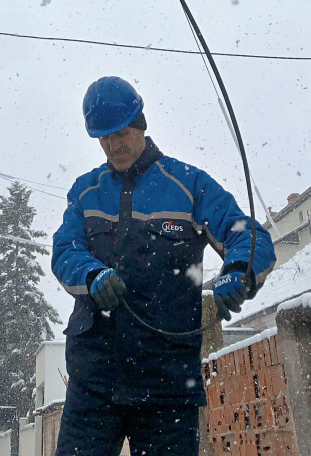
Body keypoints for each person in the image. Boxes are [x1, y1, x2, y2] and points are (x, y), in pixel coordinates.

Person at [51, 76, 277, 456]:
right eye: (104, 138)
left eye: (120, 133)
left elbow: (249, 236)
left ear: (141, 124)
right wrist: (91, 274)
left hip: (168, 386)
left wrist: (238, 271)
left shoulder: (189, 185)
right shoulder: (85, 191)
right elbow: (64, 251)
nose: (113, 146)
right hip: (93, 382)